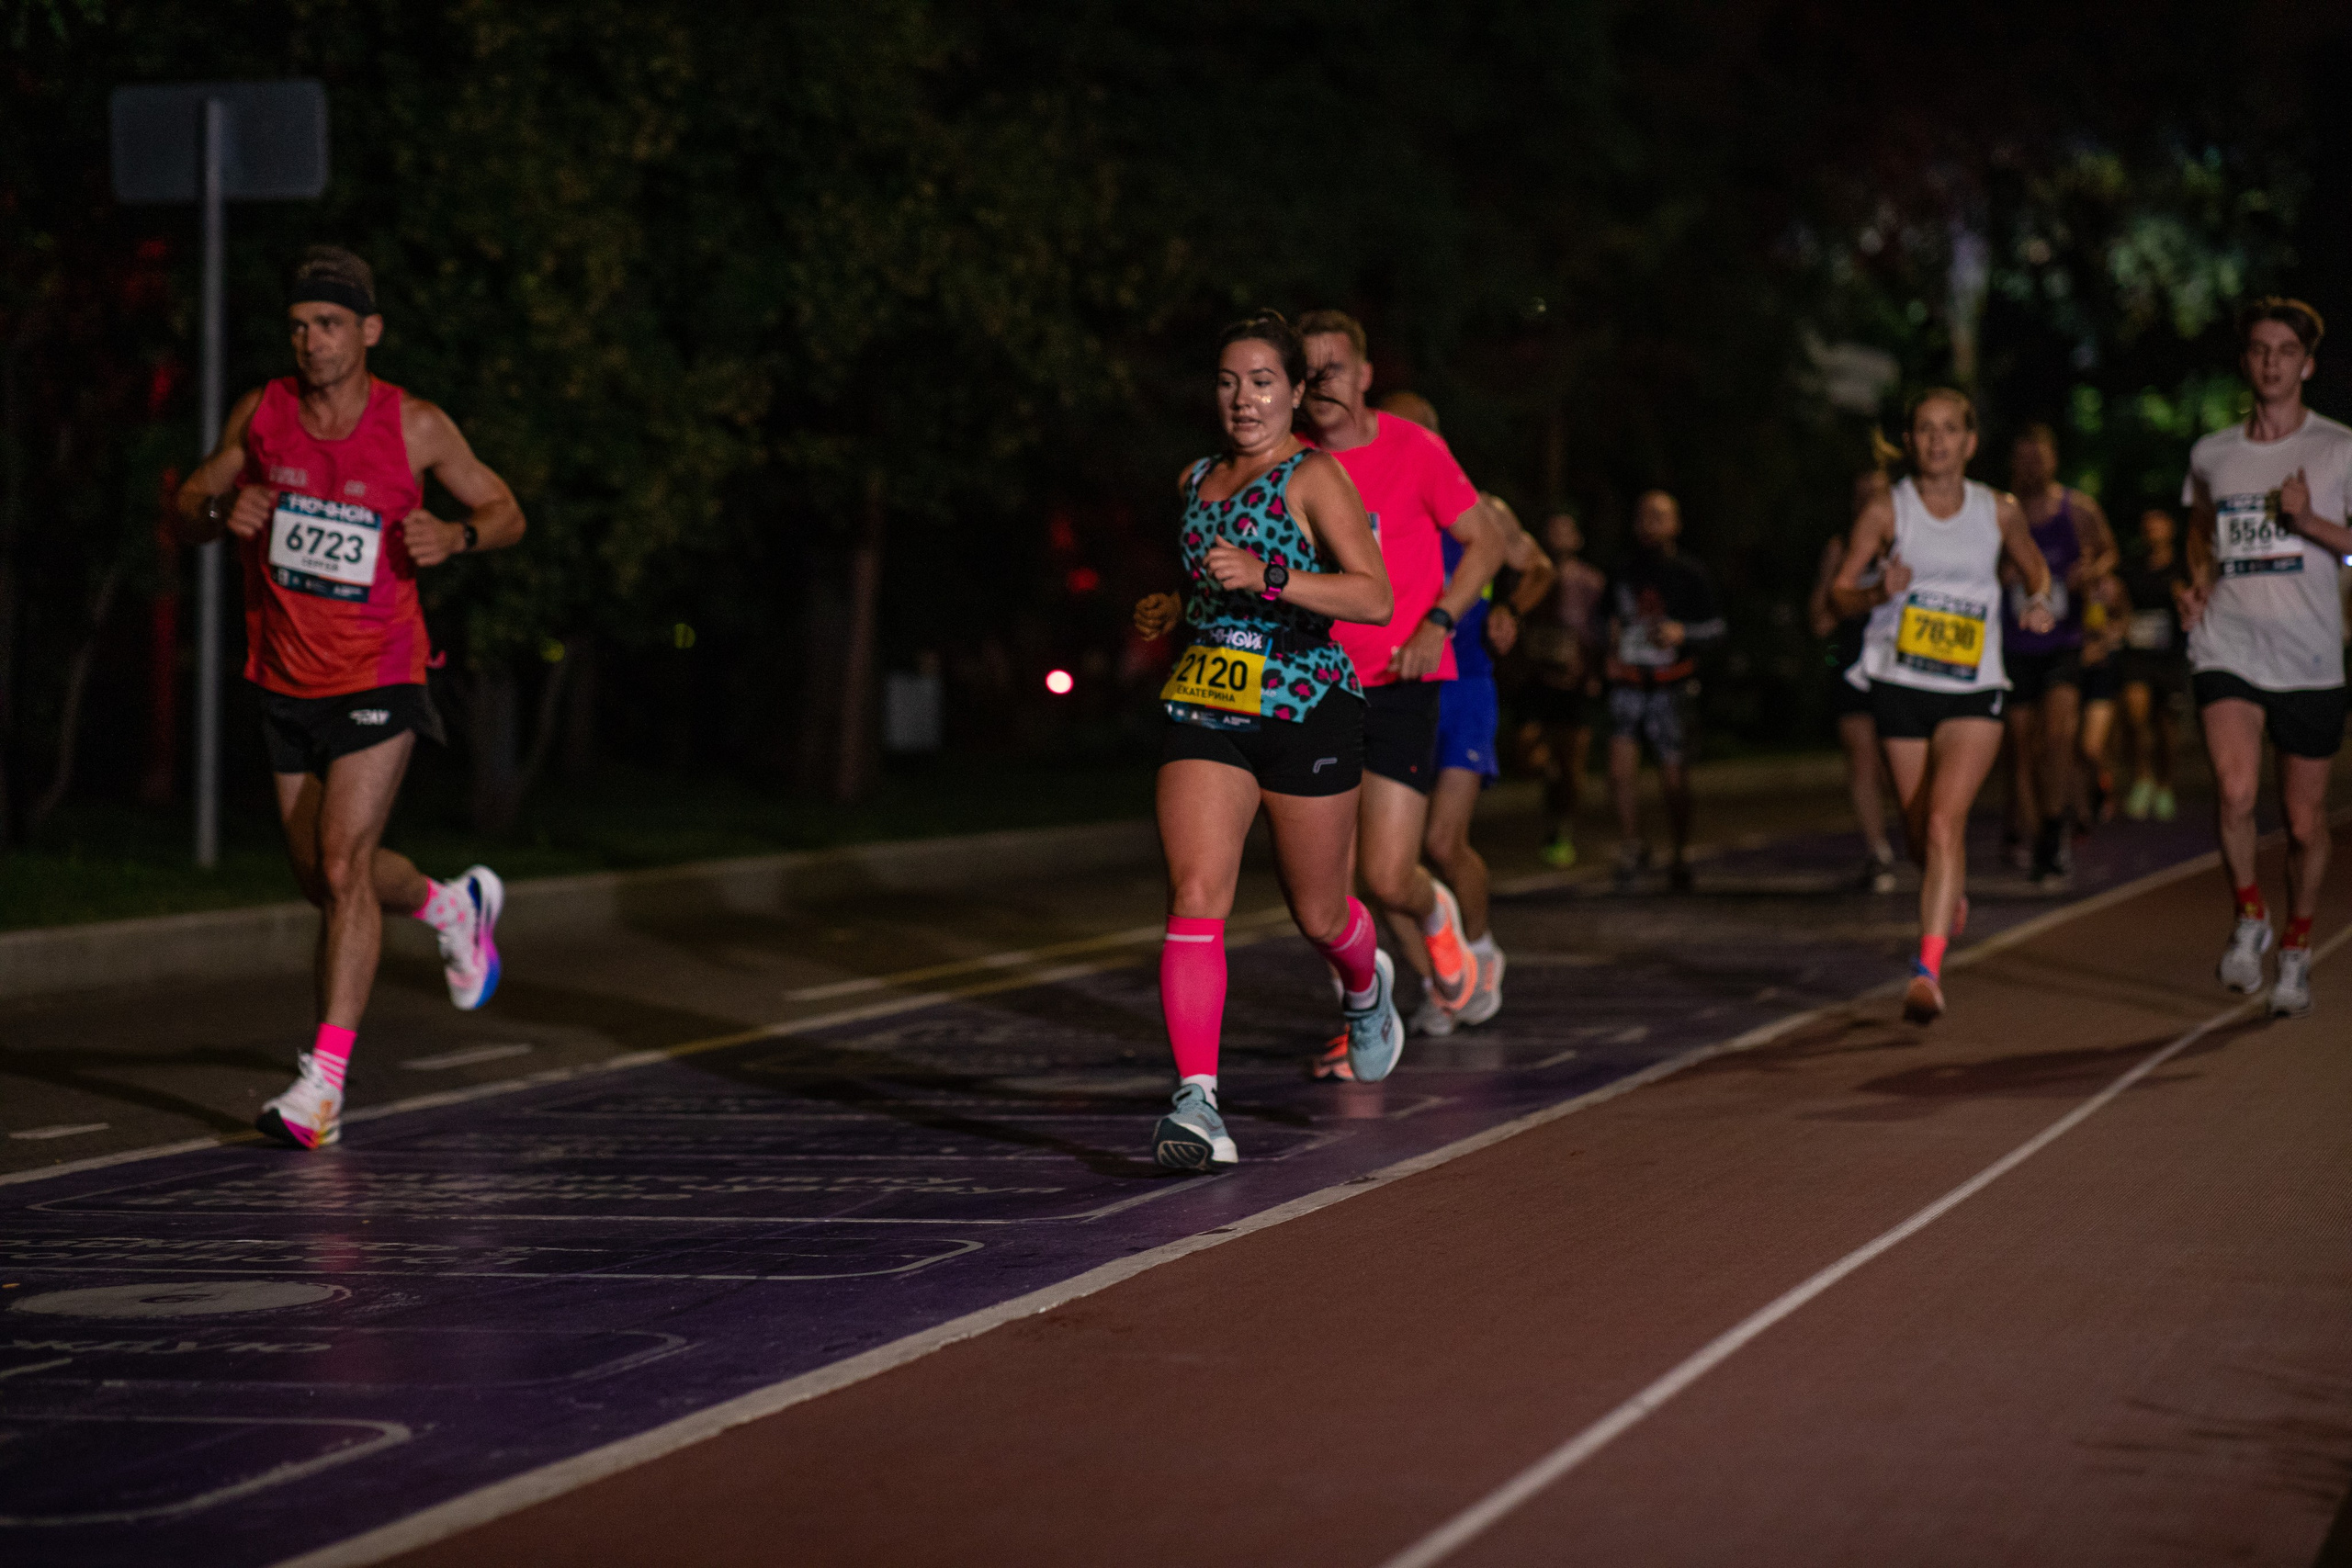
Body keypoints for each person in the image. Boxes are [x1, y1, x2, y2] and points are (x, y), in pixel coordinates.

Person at [173, 248, 524, 1151]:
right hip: (284, 678)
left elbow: (506, 509)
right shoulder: (263, 413)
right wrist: (220, 516)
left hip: (381, 671)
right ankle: (450, 907)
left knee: (339, 866)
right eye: (298, 324)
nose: (310, 341)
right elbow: (185, 503)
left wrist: (458, 532)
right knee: (323, 880)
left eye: (328, 325)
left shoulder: (414, 425)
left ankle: (321, 1088)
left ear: (368, 331)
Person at [1131, 310, 1399, 1169]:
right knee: (1195, 889)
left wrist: (1273, 575)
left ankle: (1366, 986)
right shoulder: (1195, 477)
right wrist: (1173, 609)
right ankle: (1197, 1101)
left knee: (1319, 912)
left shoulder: (1314, 478)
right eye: (1227, 381)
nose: (1242, 399)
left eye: (1260, 382)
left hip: (1305, 708)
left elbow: (1374, 598)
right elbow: (1199, 580)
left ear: (1293, 392)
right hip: (1208, 704)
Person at [1294, 312, 1505, 1069]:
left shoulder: (1414, 448)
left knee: (1388, 876)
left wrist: (1439, 622)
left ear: (1364, 373)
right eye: (1308, 371)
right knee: (1324, 896)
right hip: (1310, 688)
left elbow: (1489, 541)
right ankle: (1369, 1023)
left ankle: (1438, 913)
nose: (1322, 386)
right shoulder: (1288, 460)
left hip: (1398, 682)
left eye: (1335, 369)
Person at [1833, 388, 2056, 1024]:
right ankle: (1945, 892)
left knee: (1941, 824)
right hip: (1901, 684)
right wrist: (1879, 588)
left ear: (1969, 442)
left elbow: (2036, 570)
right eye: (1925, 429)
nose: (1937, 440)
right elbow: (1838, 594)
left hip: (1972, 687)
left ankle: (1927, 969)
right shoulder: (1887, 510)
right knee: (1916, 836)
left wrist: (2038, 599)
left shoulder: (1998, 510)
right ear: (1910, 442)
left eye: (1949, 429)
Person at [2180, 297, 2352, 1019]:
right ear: (2245, 361)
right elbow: (2198, 531)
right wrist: (2193, 586)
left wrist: (2310, 520)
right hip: (2229, 643)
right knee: (2236, 791)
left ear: (2307, 364)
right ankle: (2251, 915)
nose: (2272, 361)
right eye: (2259, 349)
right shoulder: (2212, 454)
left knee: (2306, 825)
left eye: (2286, 350)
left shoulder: (2341, 448)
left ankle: (2296, 947)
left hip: (2310, 656)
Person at [1363, 392, 1555, 1036]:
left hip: (1464, 686)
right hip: (1392, 686)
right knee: (1383, 868)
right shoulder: (1365, 505)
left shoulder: (1481, 510)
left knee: (1444, 842)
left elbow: (1539, 566)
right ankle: (1435, 982)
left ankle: (1478, 946)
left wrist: (1512, 610)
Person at [1998, 423, 2119, 886]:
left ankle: (2053, 832)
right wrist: (2001, 572)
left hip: (2063, 643)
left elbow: (2108, 554)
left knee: (2058, 738)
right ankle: (2038, 837)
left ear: (2053, 460)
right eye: (2023, 458)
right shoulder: (2000, 511)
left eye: (2039, 458)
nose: (2031, 467)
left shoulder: (2078, 509)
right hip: (2015, 644)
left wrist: (2089, 571)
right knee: (2021, 747)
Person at [1604, 490, 1725, 891]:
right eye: (1643, 516)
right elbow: (1606, 621)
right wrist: (1608, 645)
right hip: (1628, 682)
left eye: (1659, 516)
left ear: (1675, 524)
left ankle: (1679, 851)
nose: (1649, 524)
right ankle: (1631, 844)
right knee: (1620, 769)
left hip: (1671, 685)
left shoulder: (1689, 573)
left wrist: (1681, 632)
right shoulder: (1622, 571)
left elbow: (1716, 628)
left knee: (1673, 774)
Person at [1810, 467, 1900, 891]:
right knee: (1861, 754)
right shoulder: (1842, 548)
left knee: (1896, 765)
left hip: (1904, 665)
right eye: (1861, 496)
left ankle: (1921, 840)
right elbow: (1820, 622)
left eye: (1877, 495)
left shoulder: (1911, 542)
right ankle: (1877, 852)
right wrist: (1850, 595)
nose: (1869, 504)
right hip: (1853, 661)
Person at [1521, 511, 1608, 868]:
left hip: (1574, 684)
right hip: (1536, 681)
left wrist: (1593, 672)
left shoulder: (1591, 582)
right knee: (1530, 751)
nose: (1558, 537)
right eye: (1551, 530)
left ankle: (1561, 828)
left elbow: (1602, 633)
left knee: (1571, 762)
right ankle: (1549, 781)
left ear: (1577, 539)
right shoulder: (1529, 575)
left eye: (1566, 531)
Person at [2117, 509, 2189, 820]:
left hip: (2171, 656)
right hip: (2138, 654)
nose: (2152, 529)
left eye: (2158, 522)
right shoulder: (2132, 565)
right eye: (2147, 524)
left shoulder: (2183, 565)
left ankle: (2165, 784)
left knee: (2166, 727)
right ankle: (2142, 778)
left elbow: (2196, 604)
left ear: (2170, 527)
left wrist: (2182, 597)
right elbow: (2118, 602)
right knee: (2136, 715)